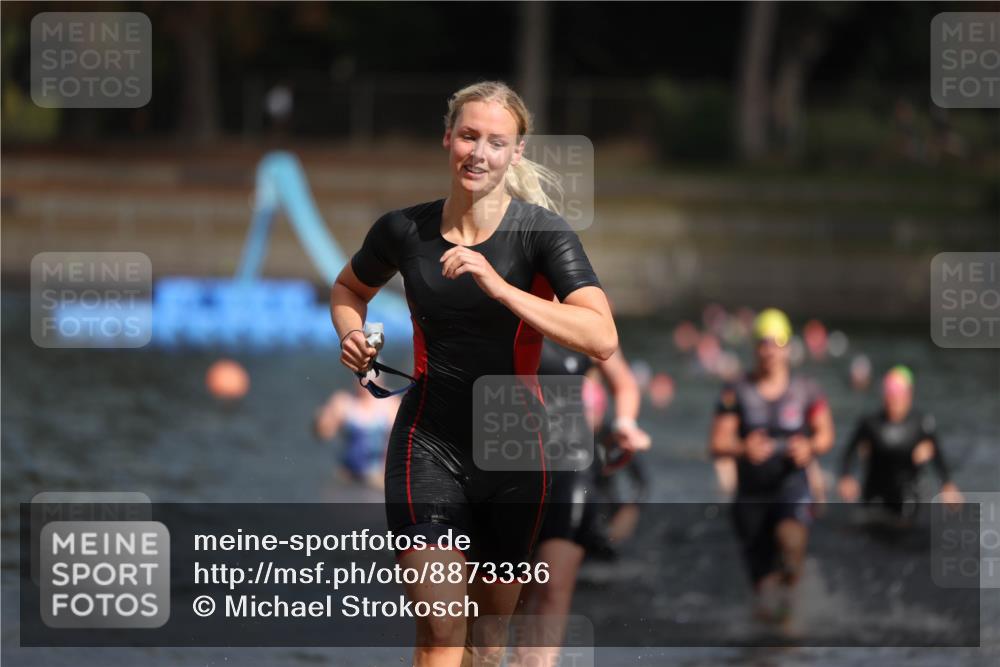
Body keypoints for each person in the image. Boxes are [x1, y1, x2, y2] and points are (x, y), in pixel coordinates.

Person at [330, 81, 616, 667]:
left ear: (516, 153)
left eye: (495, 141)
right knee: (440, 624)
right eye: (468, 136)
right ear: (447, 138)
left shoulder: (543, 235)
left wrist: (500, 286)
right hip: (427, 441)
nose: (478, 153)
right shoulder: (404, 231)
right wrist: (351, 334)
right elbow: (348, 288)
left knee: (486, 644)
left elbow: (602, 337)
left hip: (515, 447)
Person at [514, 339, 650, 667]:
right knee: (513, 591)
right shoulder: (508, 301)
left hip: (572, 466)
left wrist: (625, 423)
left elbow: (624, 383)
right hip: (510, 467)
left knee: (554, 586)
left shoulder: (582, 315)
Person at [707, 308, 834, 621]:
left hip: (791, 485)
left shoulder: (807, 390)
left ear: (789, 347)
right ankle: (774, 641)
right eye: (763, 343)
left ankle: (794, 614)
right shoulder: (735, 391)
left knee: (791, 547)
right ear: (754, 348)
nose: (770, 351)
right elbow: (716, 444)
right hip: (751, 494)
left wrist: (810, 446)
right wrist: (742, 447)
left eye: (777, 343)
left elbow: (826, 434)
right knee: (764, 594)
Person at [838, 365, 963, 518]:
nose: (894, 400)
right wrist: (846, 477)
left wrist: (947, 484)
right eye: (890, 394)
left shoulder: (922, 424)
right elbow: (849, 452)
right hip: (875, 494)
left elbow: (938, 456)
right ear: (884, 396)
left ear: (909, 395)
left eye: (899, 394)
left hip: (909, 495)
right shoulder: (870, 423)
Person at [313, 383, 400, 489]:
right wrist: (324, 419)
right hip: (346, 474)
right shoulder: (344, 401)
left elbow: (400, 442)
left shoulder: (390, 402)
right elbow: (322, 433)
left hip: (376, 478)